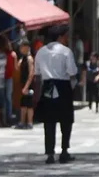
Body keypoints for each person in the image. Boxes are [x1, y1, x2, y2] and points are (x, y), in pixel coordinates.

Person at [34, 25, 79, 164]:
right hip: (63, 85)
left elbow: (37, 74)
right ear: (60, 37)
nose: (67, 39)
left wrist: (37, 94)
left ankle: (49, 153)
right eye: (65, 36)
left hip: (47, 85)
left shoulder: (40, 52)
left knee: (49, 121)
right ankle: (64, 150)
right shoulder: (66, 52)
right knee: (66, 120)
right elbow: (72, 71)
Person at [17, 40, 37, 128]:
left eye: (22, 47)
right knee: (23, 104)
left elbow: (31, 73)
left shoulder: (29, 58)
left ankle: (29, 122)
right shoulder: (22, 58)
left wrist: (26, 86)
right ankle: (22, 121)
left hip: (28, 85)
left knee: (29, 104)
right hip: (23, 84)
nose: (20, 49)